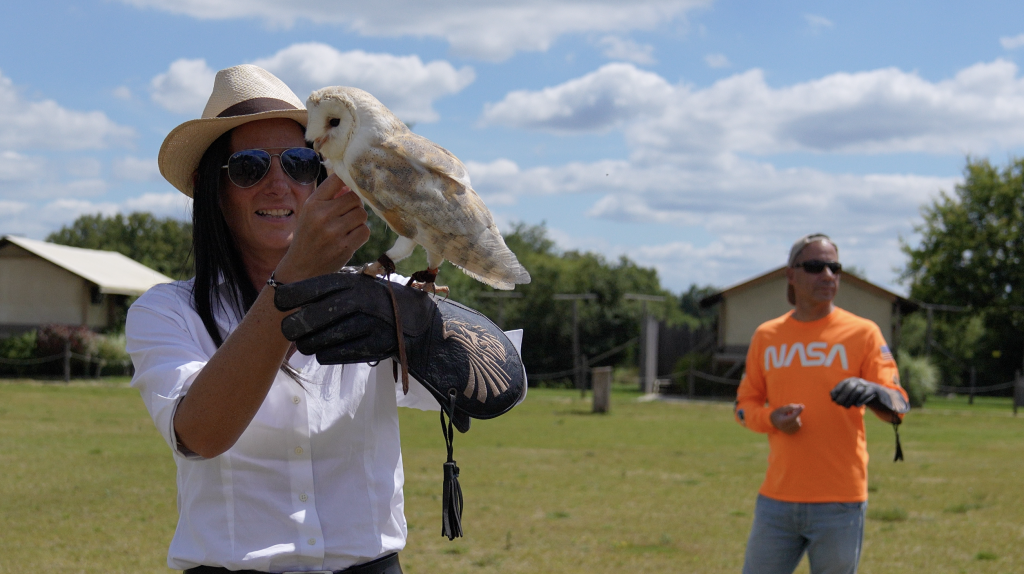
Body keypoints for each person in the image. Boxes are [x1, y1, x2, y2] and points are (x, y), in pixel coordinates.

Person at [126, 64, 523, 573]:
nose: (278, 185)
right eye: (249, 167)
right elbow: (199, 435)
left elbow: (504, 382)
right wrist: (292, 283)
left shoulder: (378, 294)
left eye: (297, 162)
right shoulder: (168, 311)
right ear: (213, 189)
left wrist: (419, 325)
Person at [733, 233, 909, 574]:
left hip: (840, 502)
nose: (827, 275)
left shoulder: (864, 333)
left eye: (834, 267)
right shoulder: (767, 336)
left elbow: (898, 404)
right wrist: (772, 419)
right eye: (815, 267)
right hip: (777, 500)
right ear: (791, 275)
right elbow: (744, 406)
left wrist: (872, 391)